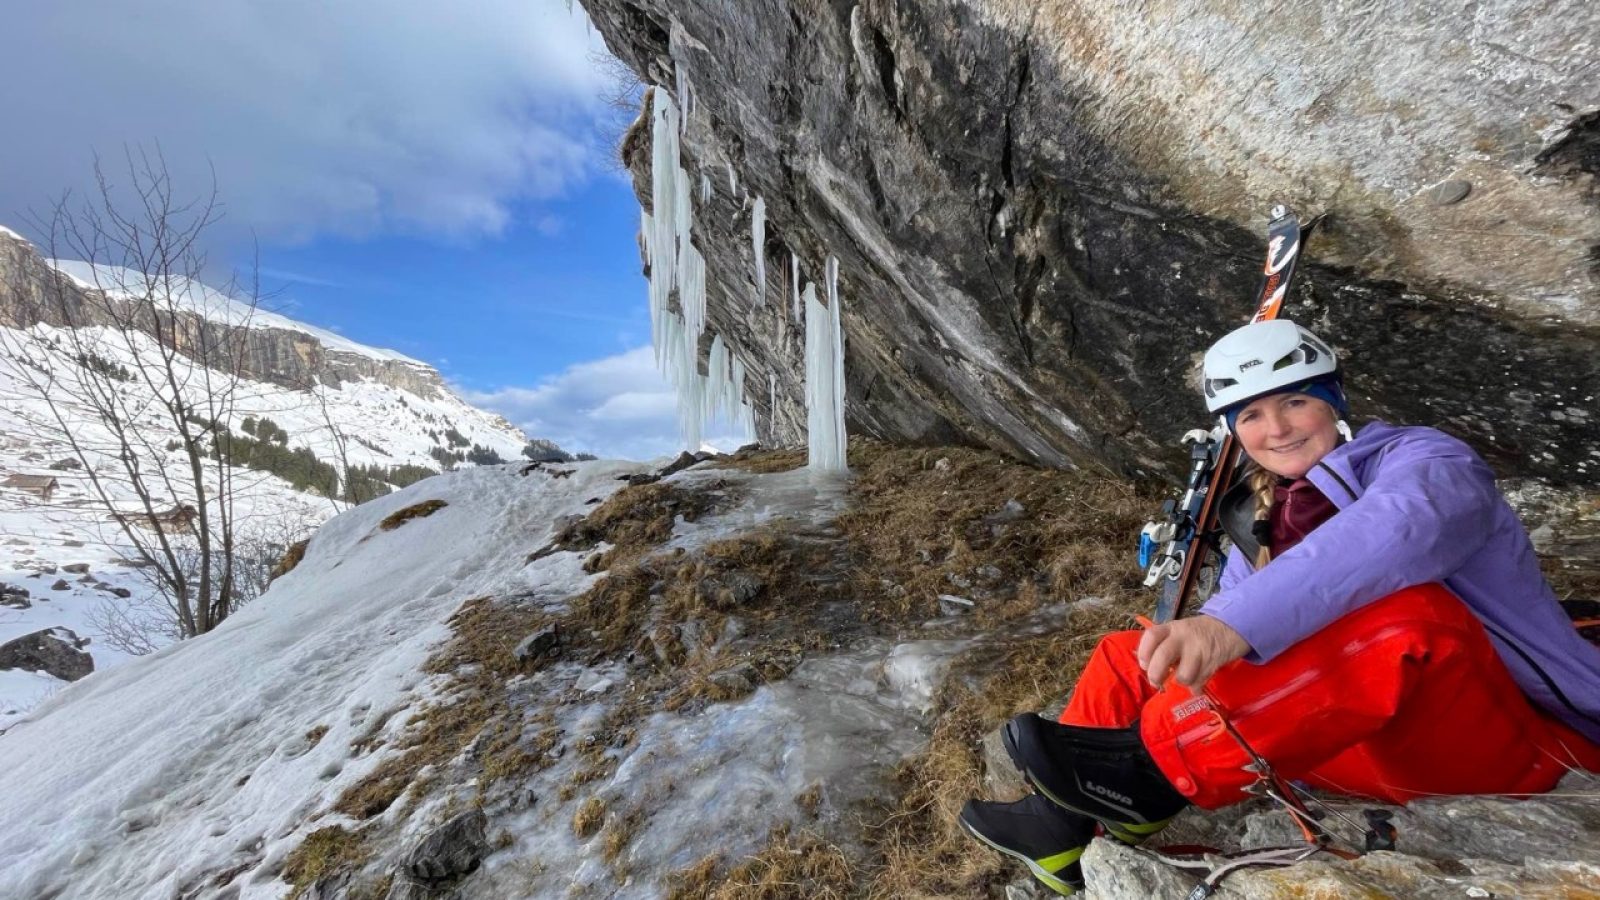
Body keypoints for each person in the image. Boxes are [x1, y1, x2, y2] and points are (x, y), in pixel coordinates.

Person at [958, 319, 1600, 895]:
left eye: (1295, 401)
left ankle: (1151, 774)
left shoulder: (1427, 460)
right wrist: (1208, 634)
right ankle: (1063, 828)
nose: (1278, 429)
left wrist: (1229, 623)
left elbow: (1400, 530)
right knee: (1138, 654)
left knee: (1408, 614)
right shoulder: (1268, 516)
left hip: (1510, 747)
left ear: (1334, 403)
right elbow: (1226, 646)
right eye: (1252, 415)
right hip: (1347, 748)